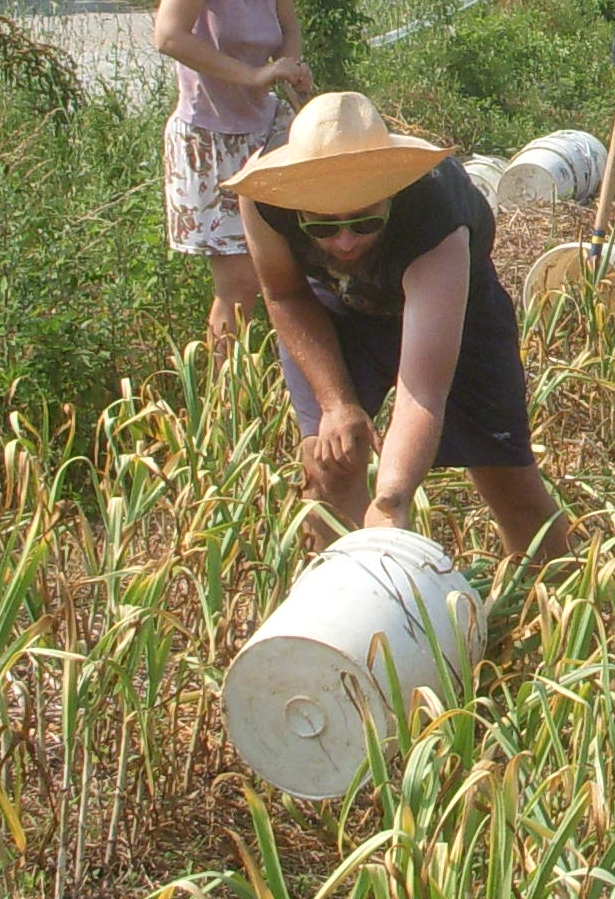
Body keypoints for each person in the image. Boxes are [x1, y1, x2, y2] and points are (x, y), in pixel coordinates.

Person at [230, 91, 569, 564]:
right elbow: (286, 295)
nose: (345, 241)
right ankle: (338, 611)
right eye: (323, 227)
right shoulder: (267, 198)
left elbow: (422, 393)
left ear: (392, 193)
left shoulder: (436, 215)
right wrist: (337, 403)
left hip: (454, 313)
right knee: (329, 463)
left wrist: (391, 499)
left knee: (506, 478)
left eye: (365, 220)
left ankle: (551, 601)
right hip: (337, 310)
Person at [154, 0, 332, 354]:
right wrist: (250, 75)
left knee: (293, 261)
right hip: (210, 136)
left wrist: (292, 66)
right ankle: (224, 402)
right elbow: (168, 34)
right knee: (236, 288)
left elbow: (288, 25)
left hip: (260, 128)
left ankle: (284, 373)